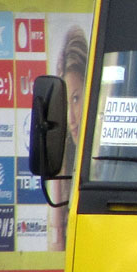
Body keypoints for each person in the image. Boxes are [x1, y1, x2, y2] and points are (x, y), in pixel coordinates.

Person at [47, 26, 89, 251]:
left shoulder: (110, 160)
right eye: (65, 102)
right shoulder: (61, 157)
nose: (71, 118)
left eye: (76, 99)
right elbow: (56, 248)